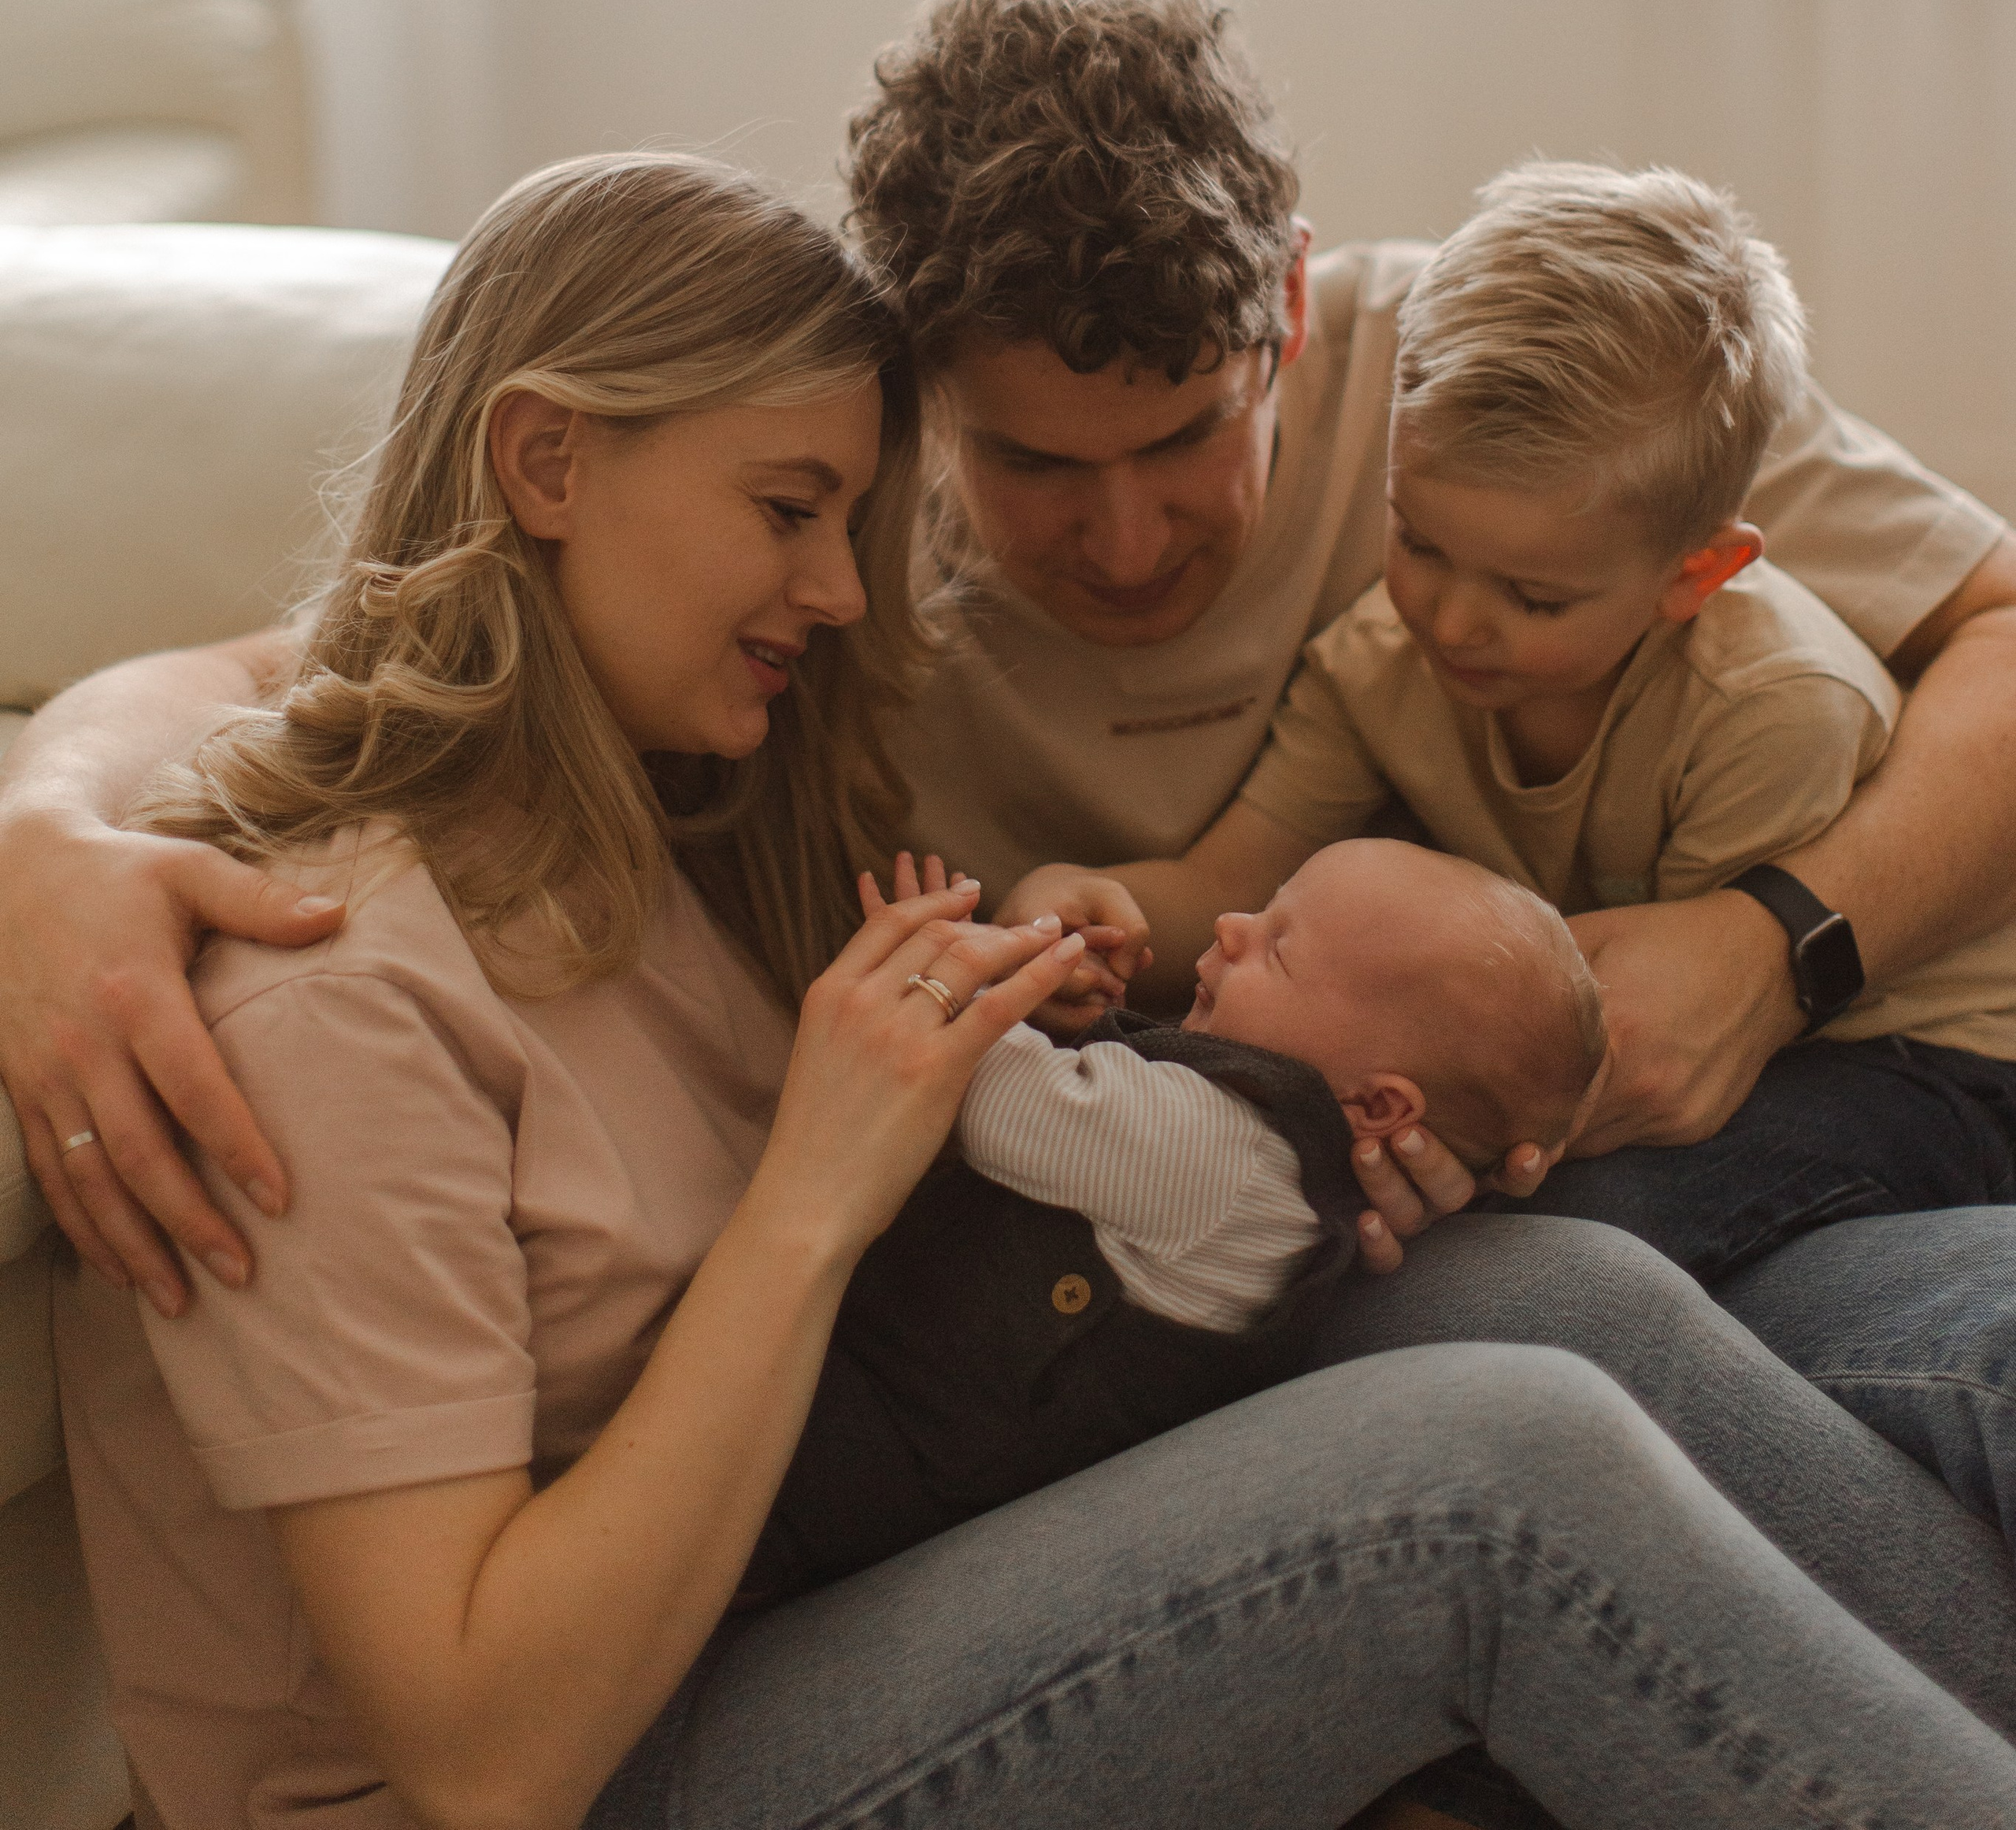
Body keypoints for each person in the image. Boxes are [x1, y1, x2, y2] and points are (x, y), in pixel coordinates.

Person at [42, 145, 2016, 1830]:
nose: (842, 590)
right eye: (789, 509)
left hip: (793, 1566)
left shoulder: (649, 799)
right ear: (546, 461)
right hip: (587, 1752)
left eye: (852, 513)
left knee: (1542, 1287)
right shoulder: (326, 988)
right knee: (1490, 1478)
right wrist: (826, 1171)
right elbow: (483, 1755)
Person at [1022, 161, 2016, 1284]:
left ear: (1699, 573)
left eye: (1535, 597)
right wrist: (1097, 910)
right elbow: (1232, 878)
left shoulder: (1772, 712)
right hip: (1637, 1047)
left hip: (1915, 1056)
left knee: (1572, 1242)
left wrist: (1412, 1140)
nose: (1453, 621)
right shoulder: (1378, 660)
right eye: (1419, 543)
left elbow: (1652, 1043)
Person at [747, 839, 1606, 1603]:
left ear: (1378, 1102)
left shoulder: (1222, 1159)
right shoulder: (1252, 1144)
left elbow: (987, 1096)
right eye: (1262, 906)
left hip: (881, 1458)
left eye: (1279, 947)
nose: (1231, 926)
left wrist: (948, 968)